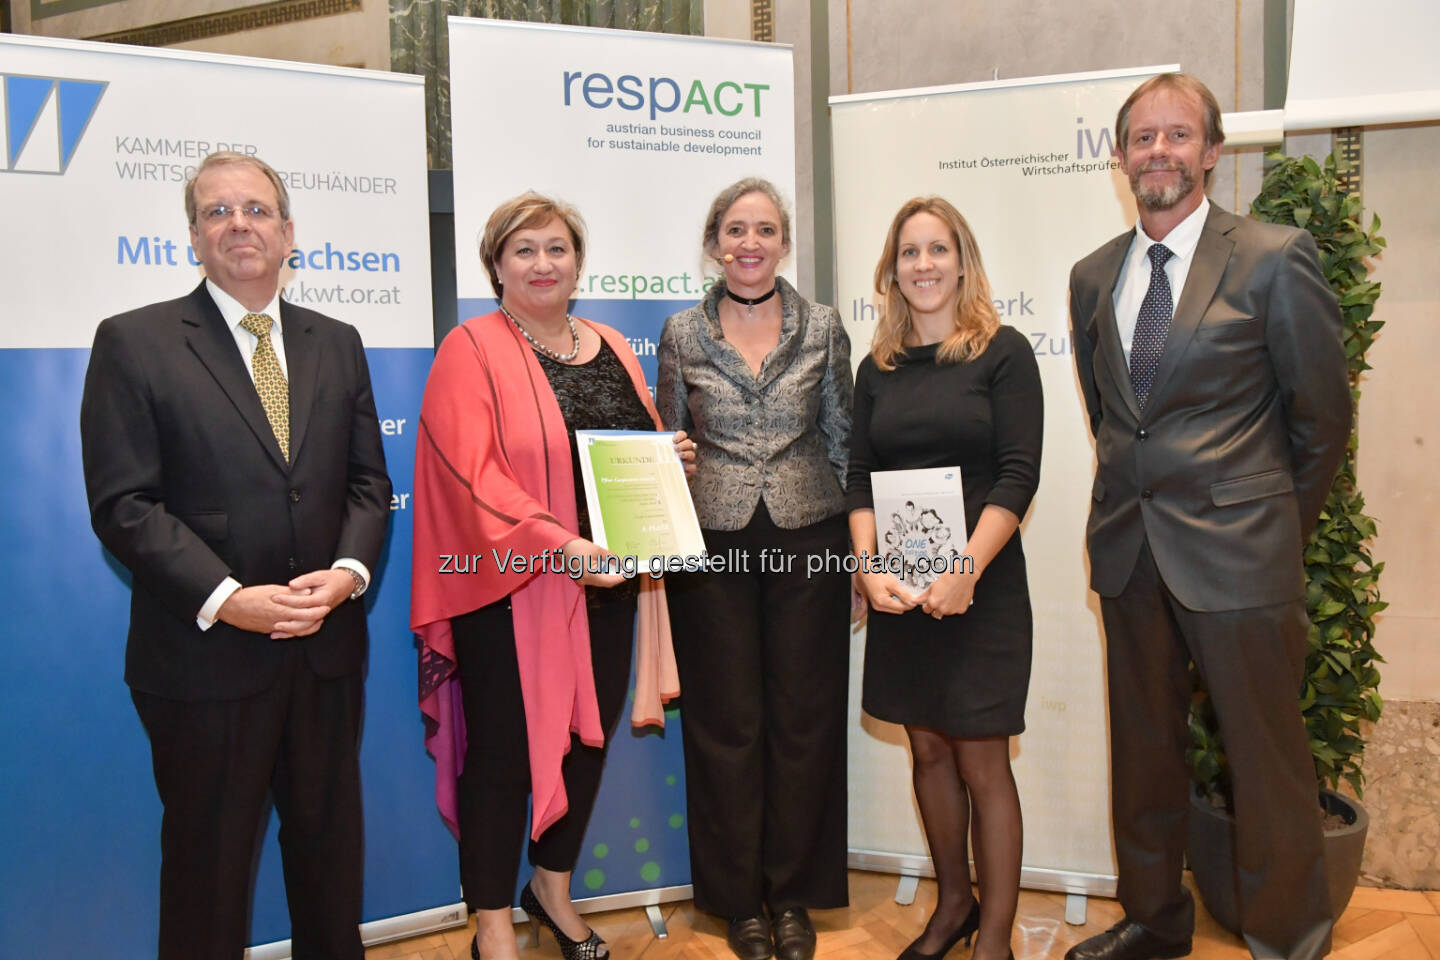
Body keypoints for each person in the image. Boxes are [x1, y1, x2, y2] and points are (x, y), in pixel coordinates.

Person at [79, 150, 392, 959]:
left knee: (329, 863)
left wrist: (348, 575)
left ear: (289, 233)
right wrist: (228, 598)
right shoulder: (134, 341)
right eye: (217, 212)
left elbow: (368, 484)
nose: (238, 225)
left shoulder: (338, 342)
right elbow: (124, 506)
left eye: (256, 210)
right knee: (207, 876)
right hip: (205, 662)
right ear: (193, 237)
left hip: (323, 654)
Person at [1066, 73, 1350, 960]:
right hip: (1130, 554)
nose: (1159, 151)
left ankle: (1288, 938)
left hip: (1243, 558)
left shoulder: (1273, 257)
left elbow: (1322, 419)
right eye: (1142, 138)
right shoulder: (1092, 276)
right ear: (1121, 158)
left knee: (1265, 762)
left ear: (1212, 151)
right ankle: (1154, 921)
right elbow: (1114, 417)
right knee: (1143, 755)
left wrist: (1274, 531)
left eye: (1178, 134)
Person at [411, 192, 689, 960]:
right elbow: (473, 476)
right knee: (503, 755)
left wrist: (667, 462)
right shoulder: (468, 348)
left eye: (557, 248)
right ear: (496, 265)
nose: (543, 263)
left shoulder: (611, 343)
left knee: (587, 742)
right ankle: (493, 923)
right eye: (524, 249)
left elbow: (629, 451)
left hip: (611, 585)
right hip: (513, 589)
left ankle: (553, 892)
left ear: (578, 263)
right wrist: (560, 545)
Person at [656, 177, 853, 960]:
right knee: (725, 723)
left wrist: (858, 558)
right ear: (714, 244)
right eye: (736, 229)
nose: (750, 243)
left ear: (783, 244)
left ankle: (794, 897)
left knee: (805, 719)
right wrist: (673, 461)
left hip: (810, 539)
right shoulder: (681, 332)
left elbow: (843, 440)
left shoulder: (824, 326)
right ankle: (738, 902)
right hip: (711, 548)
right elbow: (667, 442)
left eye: (765, 230)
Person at [848, 197, 1042, 960]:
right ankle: (954, 904)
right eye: (909, 252)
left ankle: (994, 937)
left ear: (962, 262)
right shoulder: (878, 369)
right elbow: (859, 477)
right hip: (901, 592)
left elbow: (1018, 474)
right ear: (892, 271)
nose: (923, 264)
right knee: (927, 750)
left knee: (982, 762)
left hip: (981, 589)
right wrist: (866, 567)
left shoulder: (1003, 352)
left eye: (937, 249)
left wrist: (965, 571)